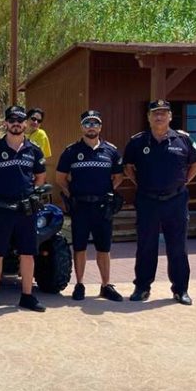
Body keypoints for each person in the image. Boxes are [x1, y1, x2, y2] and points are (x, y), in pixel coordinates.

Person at [123, 100, 196, 305]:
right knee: (146, 246)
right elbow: (128, 166)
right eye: (155, 113)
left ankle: (180, 290)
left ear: (170, 116)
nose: (159, 117)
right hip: (148, 201)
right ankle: (142, 288)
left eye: (163, 113)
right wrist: (138, 183)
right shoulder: (137, 141)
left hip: (175, 201)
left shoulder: (183, 139)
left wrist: (183, 182)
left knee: (178, 247)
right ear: (148, 117)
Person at [0, 105, 47, 313]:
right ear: (6, 123)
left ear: (25, 124)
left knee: (28, 252)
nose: (16, 123)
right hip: (2, 208)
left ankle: (27, 296)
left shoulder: (34, 150)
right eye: (12, 119)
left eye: (20, 119)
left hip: (26, 209)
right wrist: (1, 194)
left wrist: (30, 195)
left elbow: (40, 177)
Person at [56, 110, 124, 302]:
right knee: (79, 247)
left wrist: (107, 192)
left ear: (100, 127)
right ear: (82, 127)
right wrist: (71, 194)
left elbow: (118, 176)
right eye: (87, 123)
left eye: (95, 123)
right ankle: (79, 284)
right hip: (81, 207)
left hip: (103, 207)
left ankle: (105, 285)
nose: (91, 127)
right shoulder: (71, 151)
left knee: (104, 248)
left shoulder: (110, 150)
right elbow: (60, 178)